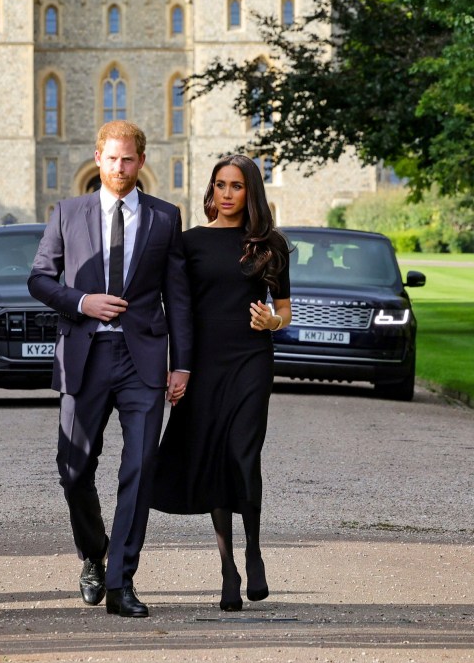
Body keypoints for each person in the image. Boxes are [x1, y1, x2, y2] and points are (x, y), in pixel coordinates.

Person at [28, 121, 193, 618]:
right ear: (97, 158)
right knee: (74, 469)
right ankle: (94, 553)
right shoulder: (67, 212)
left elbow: (178, 298)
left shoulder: (166, 217)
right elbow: (39, 279)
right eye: (111, 159)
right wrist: (81, 301)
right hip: (85, 355)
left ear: (141, 162)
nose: (119, 169)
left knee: (140, 469)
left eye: (128, 160)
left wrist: (181, 364)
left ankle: (121, 581)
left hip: (143, 359)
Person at [151, 154, 292, 612]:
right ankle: (227, 567)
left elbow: (285, 309)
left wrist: (272, 321)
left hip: (251, 360)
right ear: (211, 190)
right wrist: (178, 367)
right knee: (213, 458)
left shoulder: (269, 243)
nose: (226, 194)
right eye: (219, 185)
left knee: (242, 454)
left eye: (236, 186)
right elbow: (178, 310)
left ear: (251, 191)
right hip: (204, 364)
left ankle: (252, 548)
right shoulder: (188, 242)